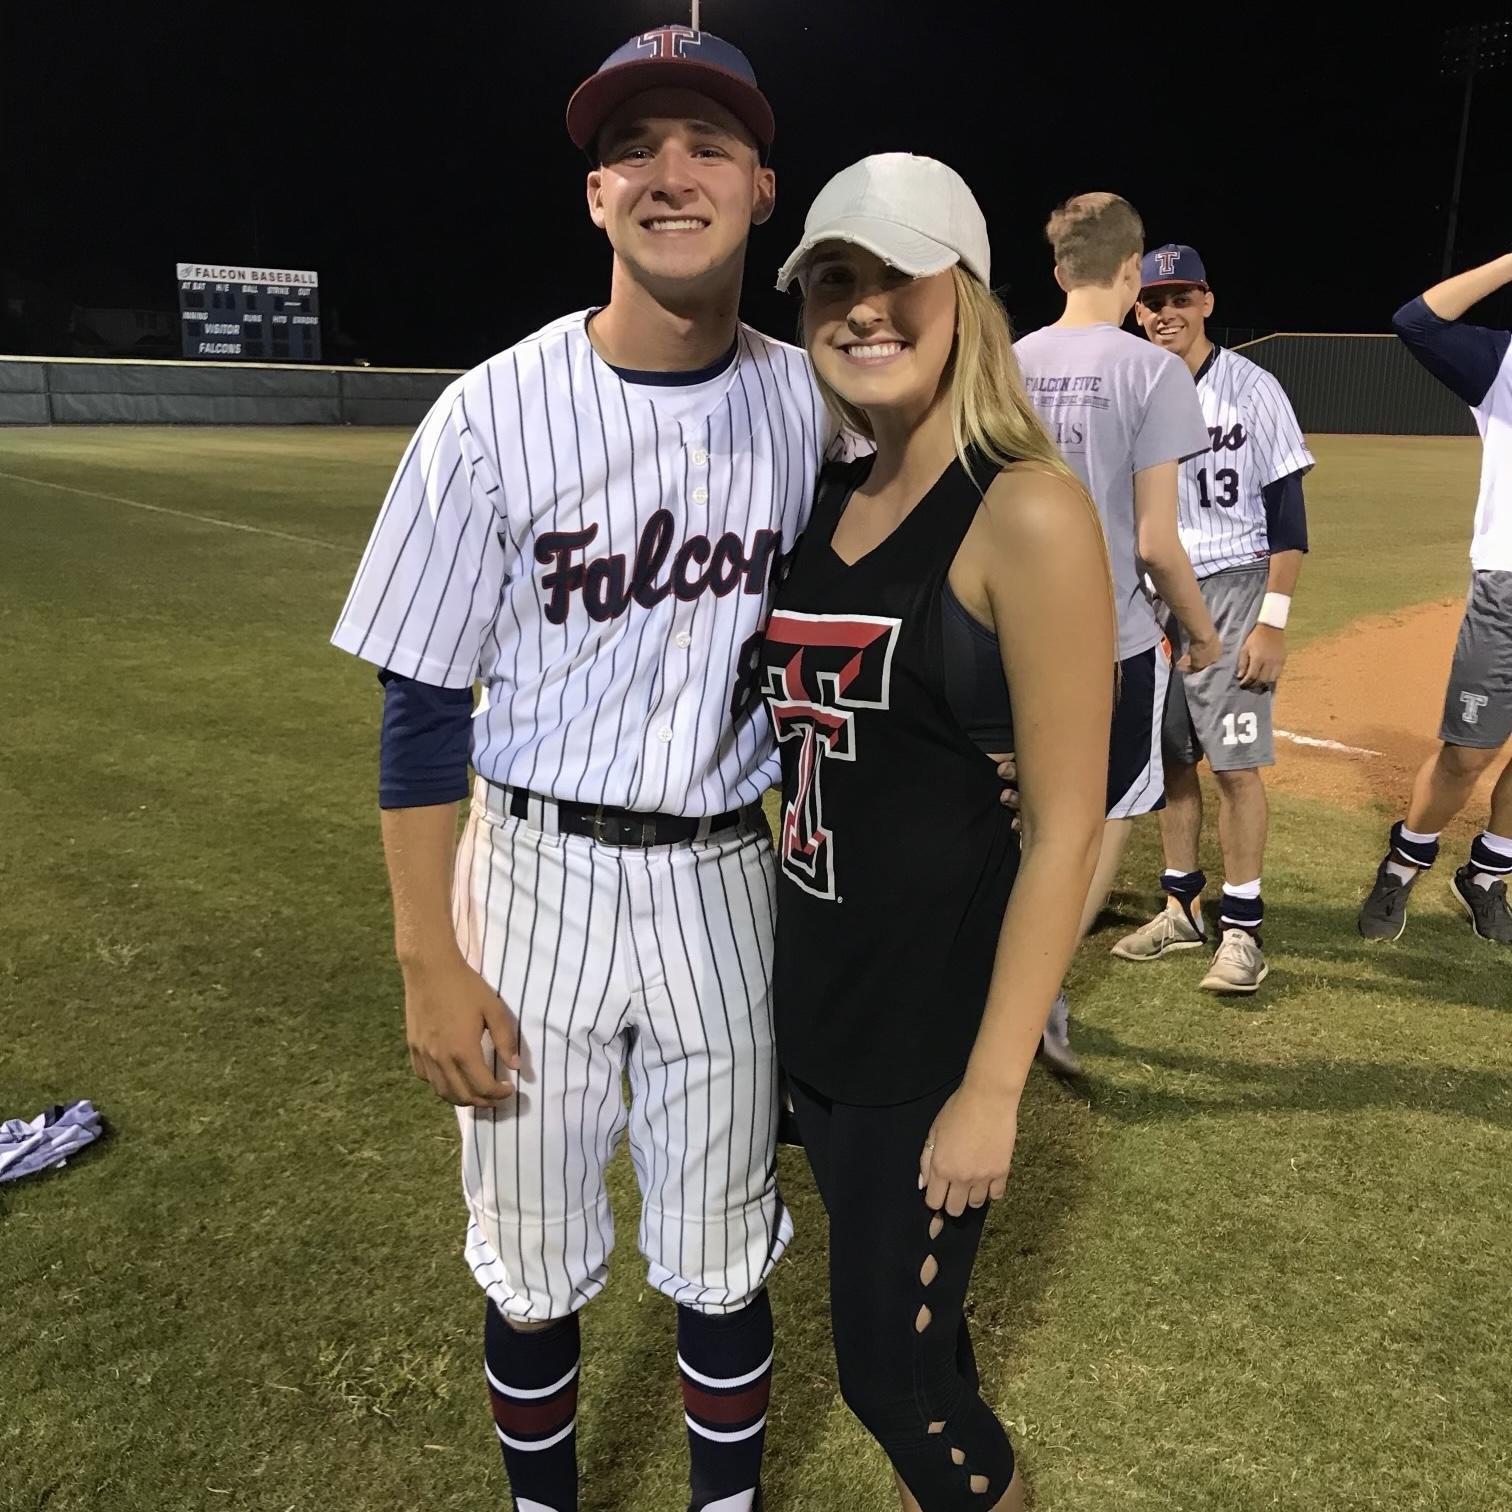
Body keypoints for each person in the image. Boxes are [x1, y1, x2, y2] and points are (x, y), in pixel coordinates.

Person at [331, 26, 838, 1512]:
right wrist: (427, 955)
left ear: (760, 185)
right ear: (596, 195)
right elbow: (422, 705)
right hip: (534, 874)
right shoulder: (488, 415)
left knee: (726, 1243)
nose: (668, 172)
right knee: (534, 1252)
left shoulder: (818, 411)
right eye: (634, 146)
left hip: (726, 876)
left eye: (704, 143)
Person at [761, 152, 1115, 1512]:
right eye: (832, 284)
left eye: (895, 279)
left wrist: (994, 1083)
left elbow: (1071, 825)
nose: (861, 310)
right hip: (824, 1012)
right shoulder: (824, 502)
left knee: (894, 1382)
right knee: (927, 1345)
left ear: (964, 297)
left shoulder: (1023, 504)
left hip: (929, 1037)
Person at [1013, 195, 1220, 1069]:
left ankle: (1001, 983)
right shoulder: (1153, 372)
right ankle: (1035, 994)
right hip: (1112, 641)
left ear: (1059, 270)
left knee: (1022, 821)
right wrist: (1203, 633)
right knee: (1102, 819)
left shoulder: (1009, 360)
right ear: (1132, 270)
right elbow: (1154, 542)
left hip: (1009, 636)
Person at [1110, 244, 1315, 991]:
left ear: (1207, 303)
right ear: (1137, 310)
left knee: (1234, 762)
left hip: (1230, 584)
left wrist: (1273, 621)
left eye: (1180, 298)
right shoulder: (1135, 387)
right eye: (1153, 302)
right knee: (1170, 761)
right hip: (1151, 593)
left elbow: (1288, 519)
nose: (1166, 313)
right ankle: (1181, 906)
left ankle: (1243, 927)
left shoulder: (1253, 388)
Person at [1357, 253, 1512, 944]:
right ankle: (1403, 862)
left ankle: (1486, 874)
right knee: (1466, 756)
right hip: (1506, 587)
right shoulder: (1502, 363)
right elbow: (1417, 322)